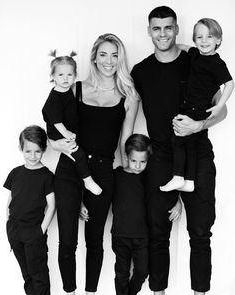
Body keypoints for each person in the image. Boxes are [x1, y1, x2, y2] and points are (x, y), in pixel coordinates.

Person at [131, 6, 228, 295]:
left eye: (168, 27)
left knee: (200, 233)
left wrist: (198, 126)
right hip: (160, 157)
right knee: (158, 235)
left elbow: (221, 112)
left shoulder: (194, 61)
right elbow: (128, 112)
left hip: (197, 154)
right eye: (157, 28)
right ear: (149, 31)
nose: (163, 33)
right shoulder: (141, 71)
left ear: (176, 29)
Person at [49, 33, 139, 295]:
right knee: (67, 240)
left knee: (95, 240)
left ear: (120, 59)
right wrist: (55, 145)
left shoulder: (129, 95)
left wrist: (127, 182)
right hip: (69, 169)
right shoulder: (74, 88)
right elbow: (54, 127)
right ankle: (70, 291)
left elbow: (125, 144)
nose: (109, 61)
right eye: (103, 54)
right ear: (94, 58)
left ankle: (90, 292)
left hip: (102, 173)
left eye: (115, 55)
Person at [160, 18, 234, 192]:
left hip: (198, 107)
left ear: (218, 40)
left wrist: (219, 105)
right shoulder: (195, 54)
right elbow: (184, 47)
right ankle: (189, 182)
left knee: (177, 138)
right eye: (199, 37)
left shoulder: (217, 63)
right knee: (190, 143)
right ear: (195, 40)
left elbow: (230, 84)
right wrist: (171, 42)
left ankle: (178, 177)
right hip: (190, 105)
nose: (204, 41)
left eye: (209, 37)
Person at [110, 133, 182, 295]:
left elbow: (165, 192)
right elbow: (100, 196)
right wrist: (83, 203)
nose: (137, 166)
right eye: (134, 161)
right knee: (121, 274)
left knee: (142, 271)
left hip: (142, 237)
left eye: (143, 162)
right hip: (120, 235)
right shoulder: (117, 175)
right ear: (127, 156)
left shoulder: (148, 178)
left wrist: (178, 202)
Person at [4, 125, 55, 295]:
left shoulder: (47, 176)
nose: (33, 156)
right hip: (15, 231)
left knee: (39, 276)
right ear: (21, 149)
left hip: (34, 233)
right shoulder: (15, 173)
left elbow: (52, 206)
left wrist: (40, 231)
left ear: (44, 150)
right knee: (27, 276)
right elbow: (9, 202)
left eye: (37, 151)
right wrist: (8, 227)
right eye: (28, 151)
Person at [42, 51, 102, 195]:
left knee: (80, 156)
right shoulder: (55, 97)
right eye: (60, 75)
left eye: (69, 75)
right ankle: (88, 181)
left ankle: (83, 180)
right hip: (59, 135)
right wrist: (66, 133)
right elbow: (55, 120)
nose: (65, 78)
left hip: (68, 132)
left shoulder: (68, 91)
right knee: (79, 155)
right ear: (53, 76)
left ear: (75, 76)